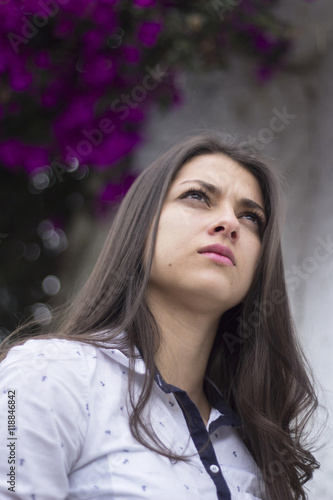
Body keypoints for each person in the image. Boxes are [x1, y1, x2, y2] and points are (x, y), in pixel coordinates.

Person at [0, 132, 319, 499]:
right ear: (141, 227)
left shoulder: (255, 448)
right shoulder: (46, 374)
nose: (229, 223)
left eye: (251, 217)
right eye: (197, 197)